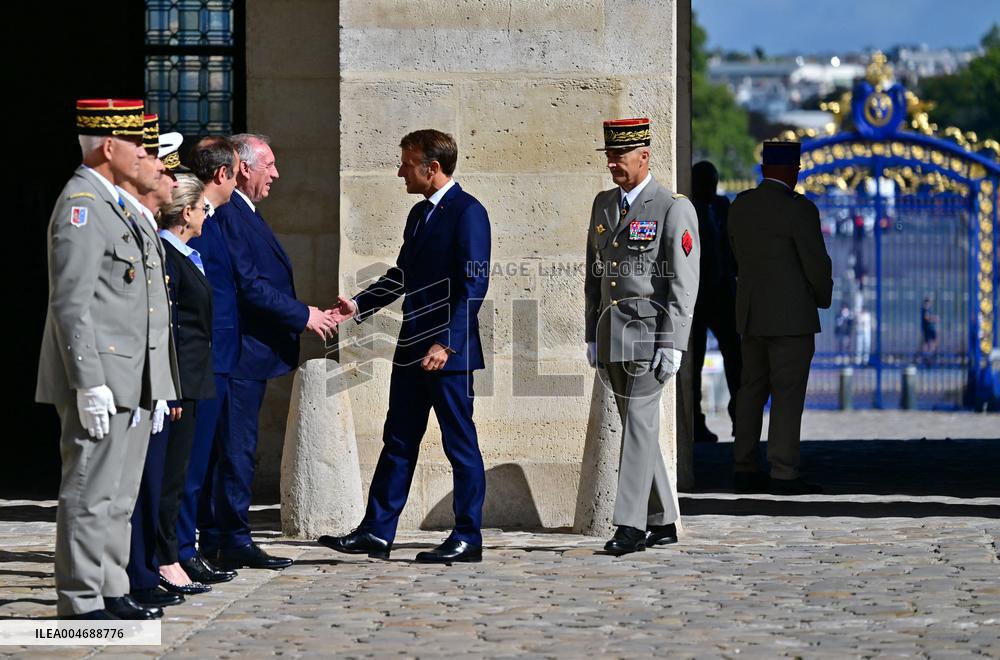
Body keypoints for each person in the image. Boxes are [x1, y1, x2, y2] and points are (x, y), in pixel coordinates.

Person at [319, 129, 491, 564]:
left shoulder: (469, 212)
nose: (400, 172)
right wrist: (357, 305)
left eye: (406, 164)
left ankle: (468, 536)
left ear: (432, 167)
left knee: (460, 445)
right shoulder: (419, 216)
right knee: (397, 440)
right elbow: (402, 274)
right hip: (412, 348)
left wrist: (447, 344)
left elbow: (475, 284)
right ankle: (377, 533)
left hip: (446, 355)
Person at [35, 99, 165, 620]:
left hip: (129, 376)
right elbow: (72, 302)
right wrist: (87, 381)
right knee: (90, 492)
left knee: (118, 495)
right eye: (138, 144)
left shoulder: (115, 203)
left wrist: (156, 383)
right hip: (101, 376)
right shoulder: (82, 203)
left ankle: (111, 587)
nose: (145, 154)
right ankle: (81, 601)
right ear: (109, 147)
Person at [206, 133, 336, 570]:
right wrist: (304, 316)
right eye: (269, 166)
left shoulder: (246, 213)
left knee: (237, 446)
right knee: (235, 448)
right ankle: (230, 537)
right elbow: (248, 285)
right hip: (240, 352)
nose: (276, 174)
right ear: (243, 168)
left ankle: (222, 534)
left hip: (250, 354)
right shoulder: (228, 216)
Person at [583, 118, 699, 556]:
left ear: (644, 156)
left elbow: (683, 283)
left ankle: (630, 525)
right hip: (612, 333)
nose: (612, 163)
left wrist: (675, 342)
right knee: (637, 425)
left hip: (650, 335)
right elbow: (595, 273)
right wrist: (590, 329)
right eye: (609, 156)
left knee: (638, 426)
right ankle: (663, 518)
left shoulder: (671, 207)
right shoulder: (604, 204)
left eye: (620, 156)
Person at [728, 141, 833, 496]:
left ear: (763, 168)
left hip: (752, 315)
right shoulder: (799, 210)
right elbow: (816, 265)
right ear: (794, 169)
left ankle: (743, 464)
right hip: (791, 319)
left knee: (750, 391)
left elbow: (736, 256)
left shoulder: (740, 206)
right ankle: (783, 470)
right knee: (787, 396)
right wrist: (822, 297)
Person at [123, 117, 192, 611]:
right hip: (119, 381)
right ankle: (102, 593)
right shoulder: (97, 213)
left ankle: (136, 578)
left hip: (149, 382)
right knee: (111, 495)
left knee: (140, 488)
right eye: (162, 169)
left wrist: (164, 383)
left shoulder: (143, 226)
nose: (169, 179)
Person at [176, 136, 241, 585]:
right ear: (223, 175)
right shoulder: (199, 220)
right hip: (201, 358)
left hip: (215, 358)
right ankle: (178, 551)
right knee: (188, 467)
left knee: (200, 465)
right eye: (238, 173)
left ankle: (185, 548)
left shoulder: (215, 219)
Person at [690, 161, 742, 443]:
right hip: (697, 298)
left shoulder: (723, 207)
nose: (710, 189)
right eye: (705, 184)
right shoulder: (687, 209)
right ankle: (696, 424)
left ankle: (740, 419)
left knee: (736, 360)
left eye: (713, 183)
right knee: (694, 363)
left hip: (723, 295)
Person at [920, 294, 938, 362]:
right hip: (928, 328)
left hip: (928, 328)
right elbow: (926, 318)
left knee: (927, 342)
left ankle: (927, 356)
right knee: (930, 342)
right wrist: (934, 319)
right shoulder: (926, 309)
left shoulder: (926, 309)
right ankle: (928, 356)